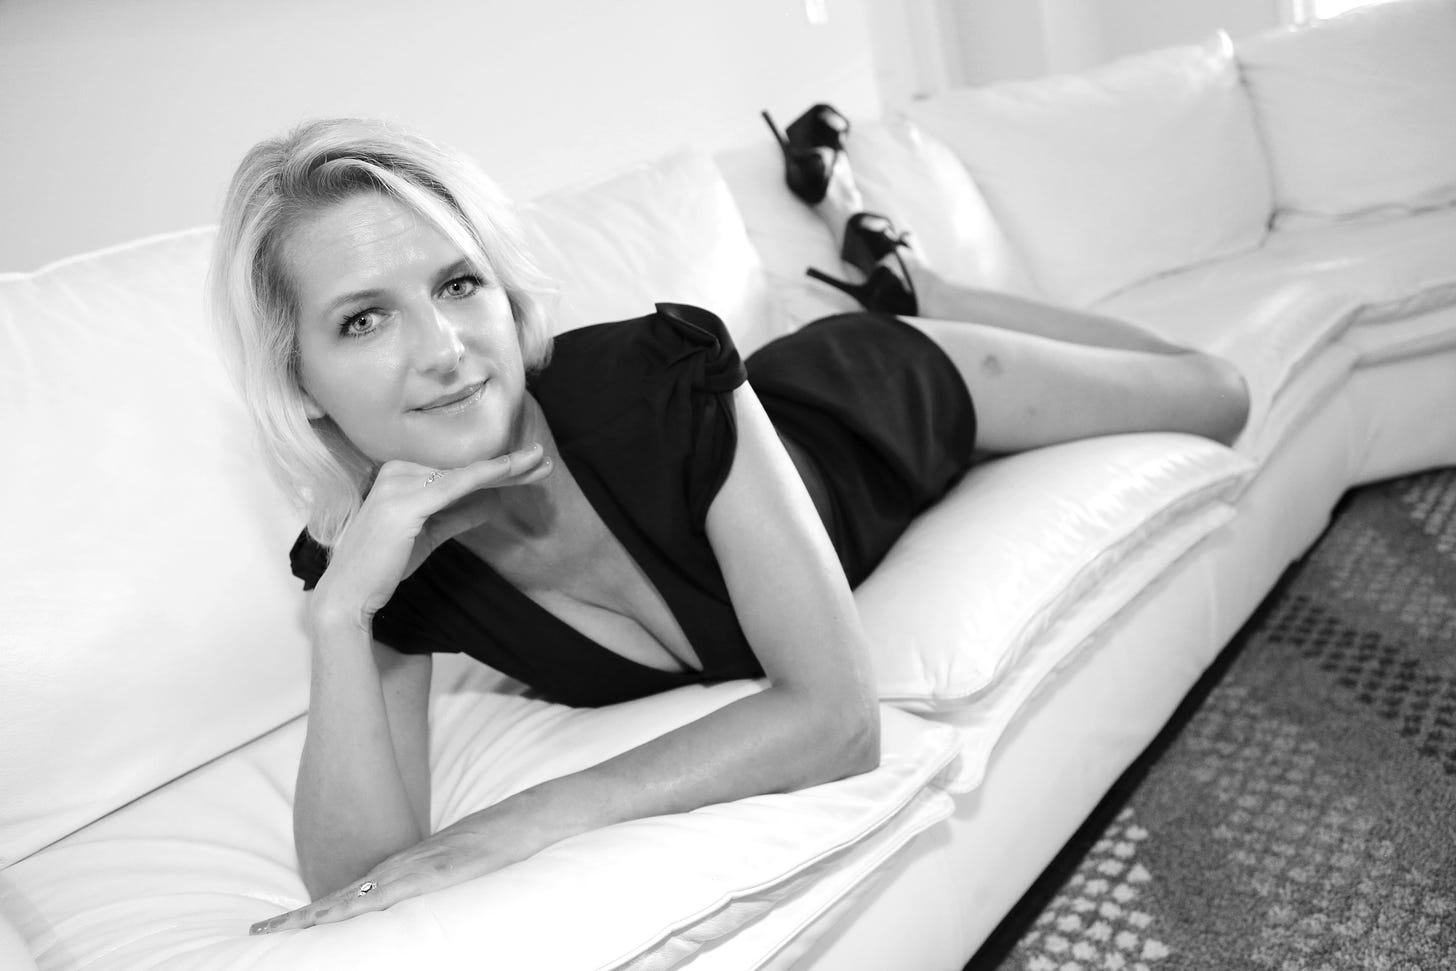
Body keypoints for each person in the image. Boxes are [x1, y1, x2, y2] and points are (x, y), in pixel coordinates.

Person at [216, 114, 1247, 936]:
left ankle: (919, 291)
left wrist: (531, 816)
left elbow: (838, 720)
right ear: (300, 382)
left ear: (502, 294)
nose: (443, 348)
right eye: (362, 318)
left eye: (456, 283)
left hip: (875, 401)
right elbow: (356, 886)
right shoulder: (372, 562)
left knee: (1215, 391)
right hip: (796, 429)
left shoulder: (654, 381)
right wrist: (341, 614)